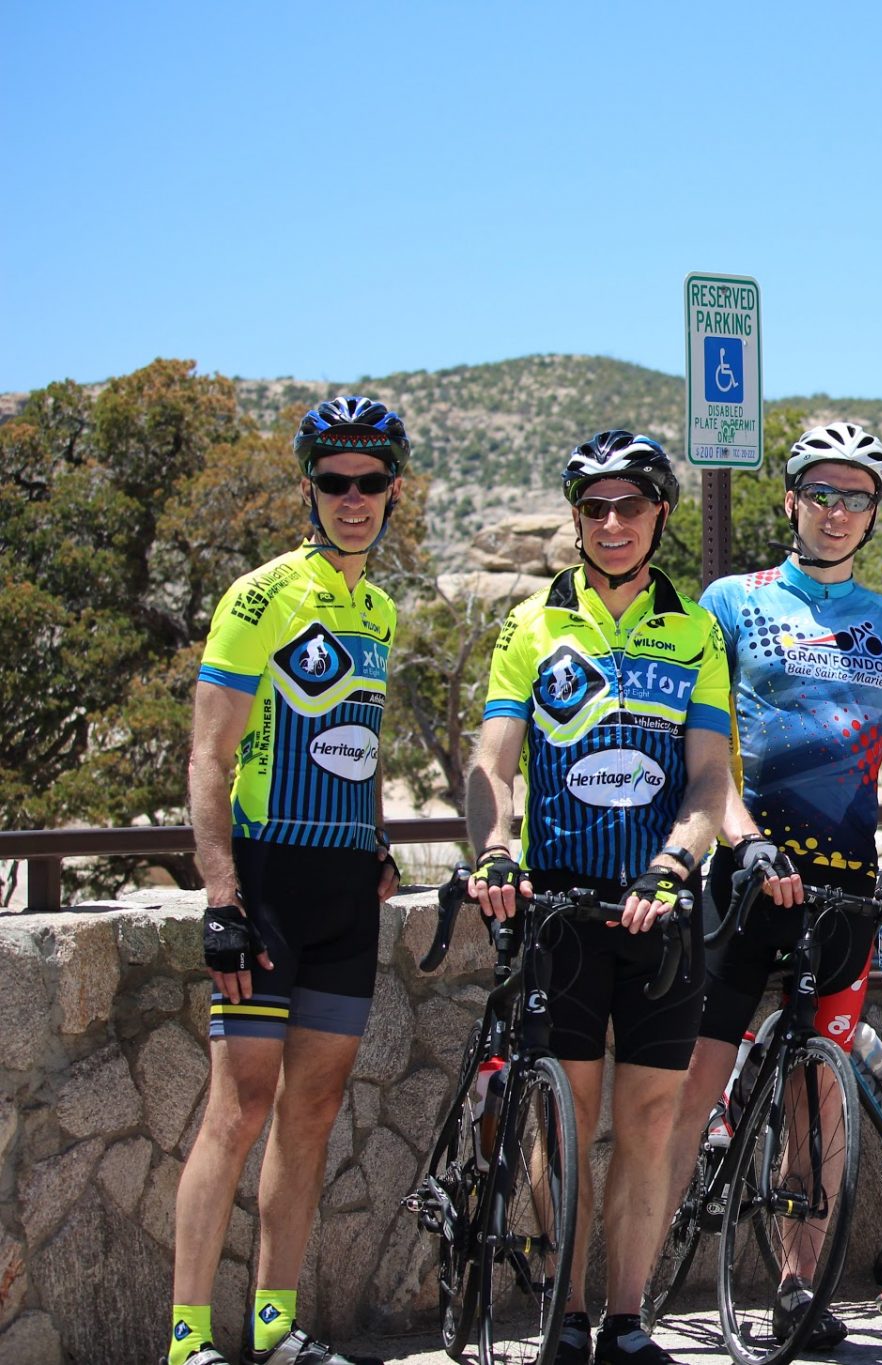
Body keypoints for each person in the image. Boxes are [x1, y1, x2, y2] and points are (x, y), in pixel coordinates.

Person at [466, 430, 783, 1365]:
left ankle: (627, 1316)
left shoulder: (696, 630)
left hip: (660, 913)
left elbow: (707, 778)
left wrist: (678, 865)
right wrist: (492, 845)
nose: (612, 523)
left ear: (660, 516)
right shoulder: (532, 625)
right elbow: (494, 759)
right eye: (594, 507)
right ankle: (564, 1315)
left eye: (630, 506)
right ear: (576, 516)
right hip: (561, 908)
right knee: (565, 1118)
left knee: (648, 1122)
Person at [673, 420, 882, 1349]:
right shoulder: (732, 600)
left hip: (841, 888)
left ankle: (798, 1286)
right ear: (790, 500)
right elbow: (705, 750)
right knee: (692, 1084)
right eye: (821, 494)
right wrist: (744, 841)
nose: (838, 513)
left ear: (873, 513)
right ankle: (623, 1298)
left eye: (857, 498)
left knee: (818, 1096)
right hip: (746, 873)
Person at [171, 396, 408, 1365]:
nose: (352, 500)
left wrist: (380, 838)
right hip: (265, 878)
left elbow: (356, 746)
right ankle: (188, 1338)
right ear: (309, 488)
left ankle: (273, 1324)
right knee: (241, 1105)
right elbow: (208, 758)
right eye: (333, 482)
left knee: (311, 1109)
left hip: (344, 886)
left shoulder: (381, 610)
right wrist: (222, 897)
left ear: (393, 492)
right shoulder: (260, 596)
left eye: (371, 483)